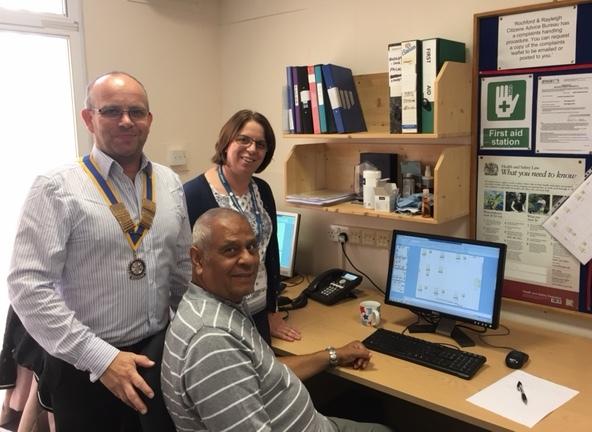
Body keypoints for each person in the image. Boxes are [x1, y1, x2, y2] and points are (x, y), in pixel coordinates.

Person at [7, 71, 192, 432]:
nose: (126, 120)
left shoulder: (169, 183)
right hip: (84, 367)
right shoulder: (56, 188)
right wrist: (103, 360)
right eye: (111, 111)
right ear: (88, 118)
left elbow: (182, 270)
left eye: (136, 112)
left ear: (149, 120)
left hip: (158, 354)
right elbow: (27, 288)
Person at [161, 208, 393, 432]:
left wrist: (334, 355)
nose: (248, 259)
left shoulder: (218, 304)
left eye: (251, 247)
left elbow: (266, 373)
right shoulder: (212, 341)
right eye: (230, 250)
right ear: (198, 259)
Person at [183, 109, 300, 344]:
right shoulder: (194, 193)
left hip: (258, 308)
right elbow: (188, 264)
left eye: (260, 144)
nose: (251, 149)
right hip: (218, 313)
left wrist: (272, 310)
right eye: (243, 139)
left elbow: (270, 253)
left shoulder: (262, 190)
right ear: (227, 142)